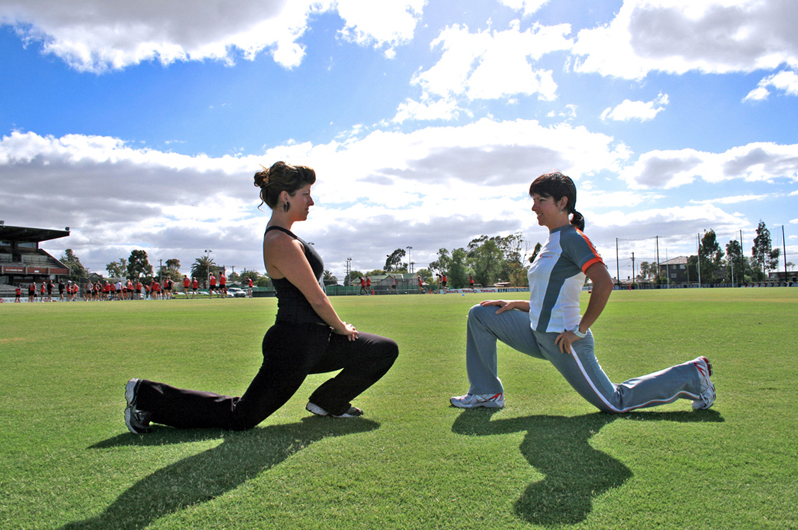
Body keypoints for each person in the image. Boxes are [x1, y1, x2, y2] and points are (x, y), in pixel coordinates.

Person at [124, 161, 399, 434]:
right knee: (241, 417)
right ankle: (146, 395)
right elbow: (316, 299)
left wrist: (336, 331)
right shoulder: (280, 241)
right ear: (285, 197)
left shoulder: (290, 237)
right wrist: (341, 327)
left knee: (382, 349)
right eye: (305, 194)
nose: (311, 201)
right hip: (294, 345)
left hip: (319, 341)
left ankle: (329, 401)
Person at [450, 172, 716, 413]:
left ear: (562, 202)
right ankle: (486, 393)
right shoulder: (551, 241)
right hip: (535, 333)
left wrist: (579, 330)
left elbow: (605, 282)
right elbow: (550, 294)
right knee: (481, 314)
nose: (534, 207)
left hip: (563, 341)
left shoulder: (573, 238)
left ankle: (694, 374)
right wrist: (516, 303)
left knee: (615, 402)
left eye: (541, 200)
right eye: (534, 200)